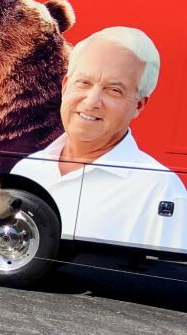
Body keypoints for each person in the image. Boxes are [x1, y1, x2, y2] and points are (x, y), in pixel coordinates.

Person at [11, 26, 186, 253]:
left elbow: (166, 281)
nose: (92, 101)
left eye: (113, 90)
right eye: (84, 83)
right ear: (65, 86)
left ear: (138, 105)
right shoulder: (27, 170)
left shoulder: (161, 192)